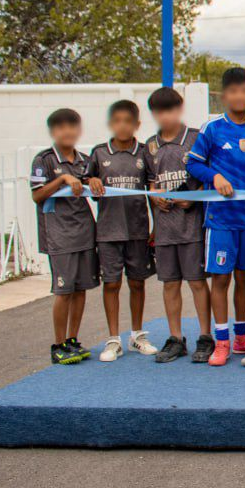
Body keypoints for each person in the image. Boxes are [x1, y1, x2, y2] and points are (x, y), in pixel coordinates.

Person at [186, 67, 245, 366]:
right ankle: (221, 341)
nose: (239, 96)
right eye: (233, 91)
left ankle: (242, 336)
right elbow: (193, 165)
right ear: (224, 95)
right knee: (221, 279)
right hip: (220, 220)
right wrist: (215, 175)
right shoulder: (212, 129)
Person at [86, 100, 157, 362]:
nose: (123, 126)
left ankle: (137, 335)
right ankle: (113, 339)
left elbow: (151, 190)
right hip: (108, 232)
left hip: (138, 230)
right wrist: (90, 180)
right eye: (117, 121)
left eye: (128, 121)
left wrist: (156, 224)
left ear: (137, 124)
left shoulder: (144, 154)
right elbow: (86, 181)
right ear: (110, 124)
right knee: (112, 284)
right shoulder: (98, 154)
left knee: (137, 283)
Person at [145, 88, 210, 363]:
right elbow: (150, 182)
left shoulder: (196, 138)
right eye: (160, 112)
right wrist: (155, 198)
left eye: (170, 110)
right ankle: (175, 339)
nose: (166, 116)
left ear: (180, 109)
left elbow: (208, 178)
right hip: (165, 229)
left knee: (196, 283)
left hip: (191, 227)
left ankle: (206, 337)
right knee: (170, 284)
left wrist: (191, 199)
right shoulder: (150, 145)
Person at [31, 109, 97, 365]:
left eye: (72, 127)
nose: (67, 132)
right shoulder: (44, 160)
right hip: (59, 234)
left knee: (80, 290)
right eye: (60, 128)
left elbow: (93, 186)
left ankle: (72, 340)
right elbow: (37, 196)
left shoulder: (84, 159)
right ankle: (58, 345)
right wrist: (61, 180)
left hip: (84, 231)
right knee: (63, 290)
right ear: (53, 132)